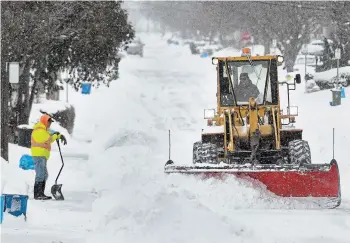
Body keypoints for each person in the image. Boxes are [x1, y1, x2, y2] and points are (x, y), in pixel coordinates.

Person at [31, 114, 67, 200]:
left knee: (44, 174)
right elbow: (48, 139)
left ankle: (41, 193)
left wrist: (59, 135)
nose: (50, 124)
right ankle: (38, 194)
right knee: (40, 174)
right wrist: (55, 136)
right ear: (44, 121)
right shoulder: (39, 130)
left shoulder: (44, 129)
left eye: (50, 122)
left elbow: (51, 132)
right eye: (49, 122)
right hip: (39, 155)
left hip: (42, 155)